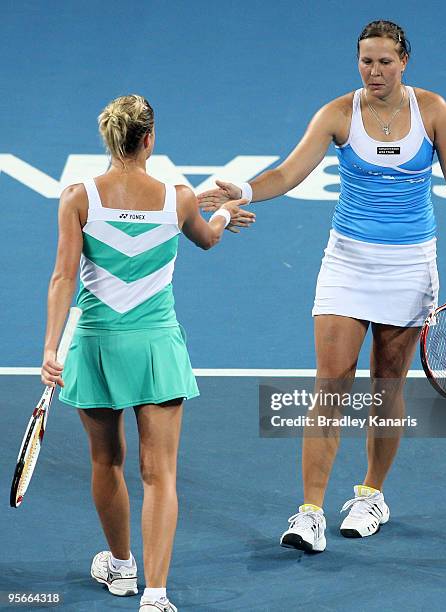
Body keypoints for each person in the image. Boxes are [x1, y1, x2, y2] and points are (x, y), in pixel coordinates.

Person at [198, 20, 446, 552]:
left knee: (387, 387)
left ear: (404, 63)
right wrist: (244, 190)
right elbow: (288, 173)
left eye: (385, 62)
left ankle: (371, 494)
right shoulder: (337, 114)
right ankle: (310, 513)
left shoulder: (434, 112)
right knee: (330, 385)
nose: (374, 72)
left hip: (410, 265)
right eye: (365, 61)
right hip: (348, 263)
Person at [41, 94, 255, 611]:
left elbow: (64, 277)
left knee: (105, 460)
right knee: (160, 473)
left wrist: (51, 348)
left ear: (109, 140)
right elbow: (204, 239)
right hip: (156, 347)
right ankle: (155, 596)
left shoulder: (77, 198)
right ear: (150, 140)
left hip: (95, 346)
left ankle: (120, 567)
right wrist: (222, 212)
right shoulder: (178, 199)